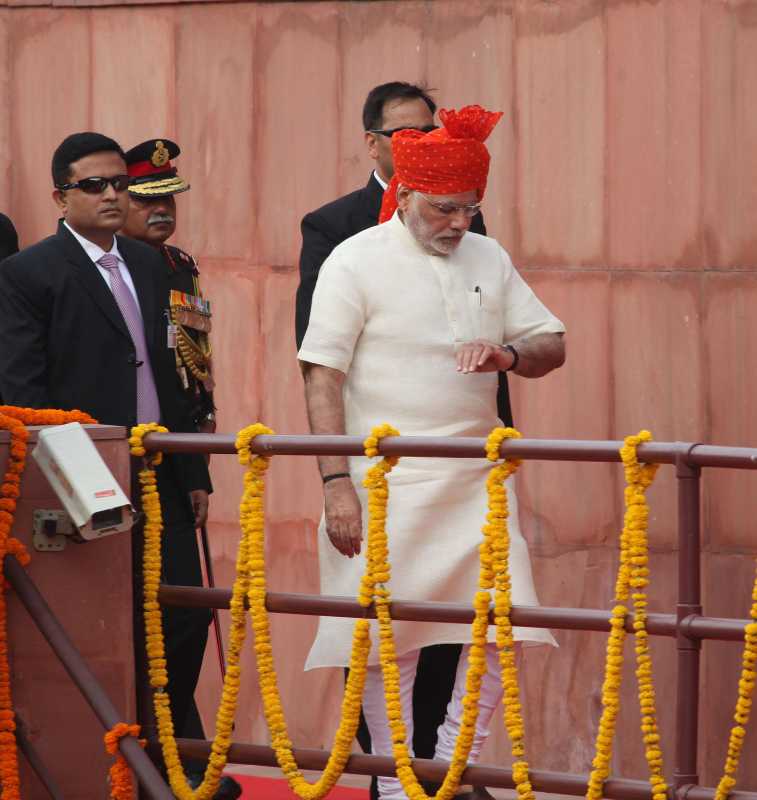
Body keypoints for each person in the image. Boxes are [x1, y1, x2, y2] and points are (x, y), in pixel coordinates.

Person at [298, 106, 565, 800]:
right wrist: (334, 483)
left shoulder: (487, 255)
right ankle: (393, 782)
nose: (457, 224)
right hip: (381, 481)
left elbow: (550, 343)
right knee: (391, 637)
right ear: (406, 195)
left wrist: (507, 353)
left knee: (497, 628)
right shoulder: (352, 258)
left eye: (470, 211)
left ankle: (449, 767)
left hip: (475, 479)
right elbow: (320, 372)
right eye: (444, 209)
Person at [0, 133, 237, 800]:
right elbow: (22, 390)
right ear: (60, 197)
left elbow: (180, 376)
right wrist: (74, 472)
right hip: (84, 470)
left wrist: (197, 477)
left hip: (162, 467)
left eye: (116, 185)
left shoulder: (152, 263)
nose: (112, 196)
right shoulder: (30, 273)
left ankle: (166, 752)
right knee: (110, 619)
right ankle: (131, 760)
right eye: (94, 186)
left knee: (183, 613)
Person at [121, 139, 215, 433]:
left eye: (169, 199)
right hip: (123, 421)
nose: (162, 209)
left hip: (181, 420)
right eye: (147, 201)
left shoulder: (181, 265)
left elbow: (198, 349)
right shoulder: (108, 269)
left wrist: (207, 414)